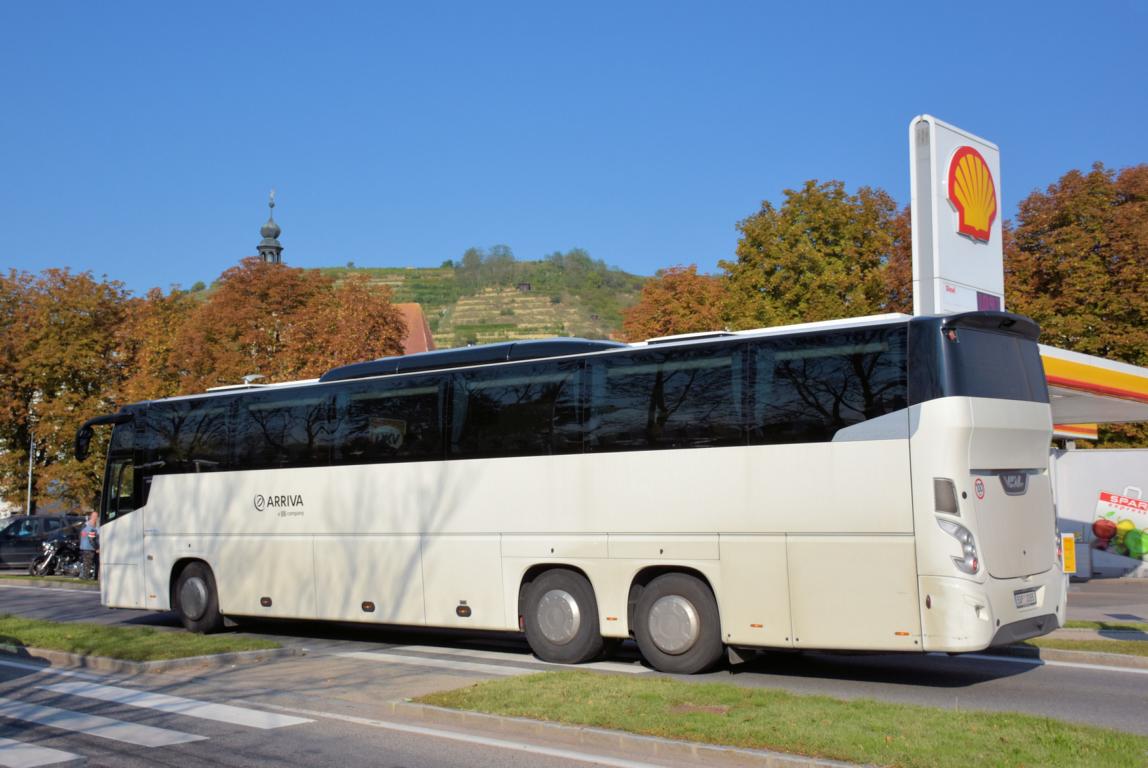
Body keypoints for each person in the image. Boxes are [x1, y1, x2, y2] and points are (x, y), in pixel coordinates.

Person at [80, 511, 99, 580]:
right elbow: (91, 539)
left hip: (84, 547)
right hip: (89, 548)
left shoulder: (85, 526)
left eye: (96, 516)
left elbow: (82, 536)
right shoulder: (91, 527)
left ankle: (84, 577)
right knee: (88, 564)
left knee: (86, 564)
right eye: (95, 516)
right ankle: (85, 577)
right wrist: (97, 548)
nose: (95, 518)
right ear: (91, 517)